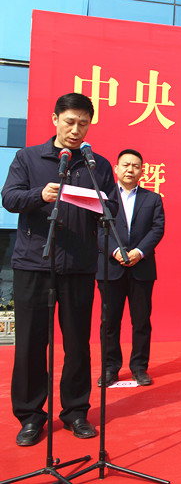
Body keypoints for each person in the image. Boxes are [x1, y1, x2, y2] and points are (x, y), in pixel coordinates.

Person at [2, 93, 117, 446]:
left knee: (77, 343)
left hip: (79, 265)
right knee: (31, 344)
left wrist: (99, 205)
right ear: (55, 119)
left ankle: (75, 412)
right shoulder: (28, 158)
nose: (76, 129)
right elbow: (10, 198)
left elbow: (111, 206)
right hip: (34, 263)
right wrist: (40, 195)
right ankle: (30, 417)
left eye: (83, 123)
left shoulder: (97, 164)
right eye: (70, 122)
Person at [96, 149, 165, 387]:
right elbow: (97, 229)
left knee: (141, 321)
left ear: (142, 171)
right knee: (109, 322)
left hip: (141, 267)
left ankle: (139, 367)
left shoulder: (152, 198)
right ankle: (109, 368)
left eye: (135, 166)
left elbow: (157, 228)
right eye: (125, 165)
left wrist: (139, 252)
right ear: (116, 169)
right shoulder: (103, 198)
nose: (130, 169)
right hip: (110, 268)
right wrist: (115, 251)